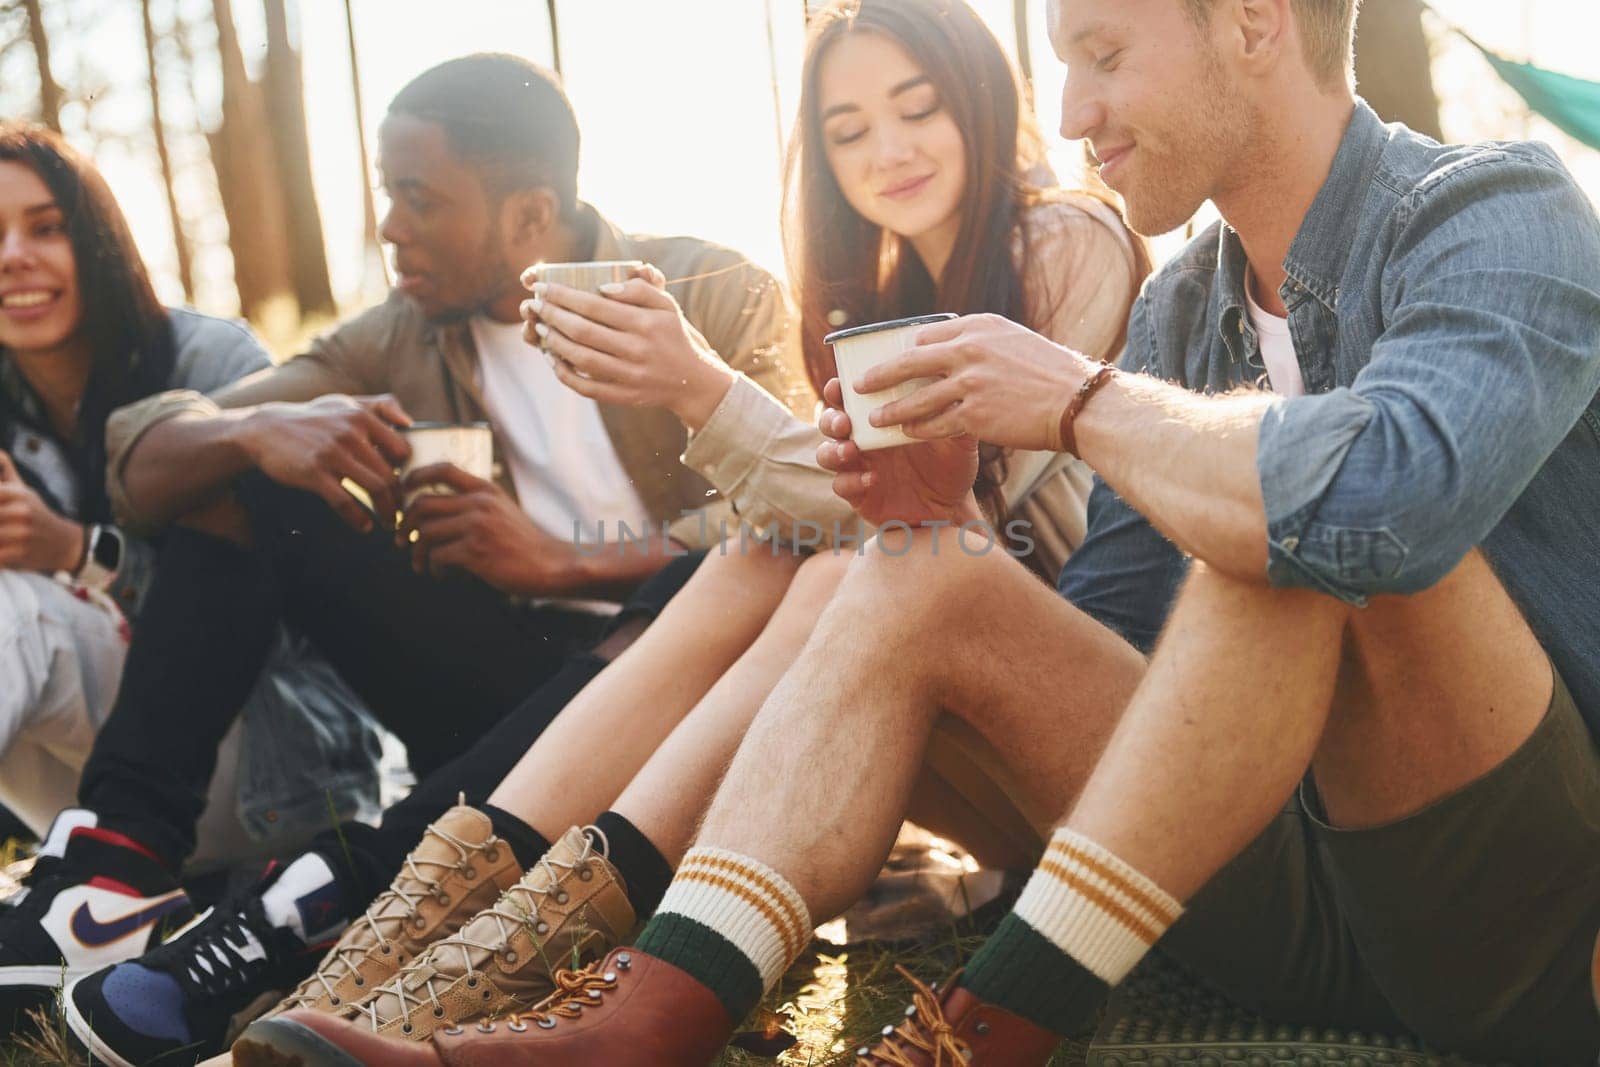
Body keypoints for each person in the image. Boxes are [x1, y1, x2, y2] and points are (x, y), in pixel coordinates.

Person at [269, 0, 1600, 1062]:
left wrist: (1078, 403)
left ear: (1253, 22)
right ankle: (641, 1018)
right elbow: (1120, 648)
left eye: (1104, 54)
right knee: (911, 571)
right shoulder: (1182, 305)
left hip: (1522, 911)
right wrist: (929, 533)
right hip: (1265, 886)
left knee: (1288, 524)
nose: (1070, 111)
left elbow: (1388, 508)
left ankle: (999, 1018)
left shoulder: (1494, 209)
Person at [222, 1, 1151, 1064]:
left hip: (1088, 727)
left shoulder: (1065, 239)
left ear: (983, 101)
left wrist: (697, 390)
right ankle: (413, 963)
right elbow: (867, 519)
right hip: (976, 732)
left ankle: (477, 964)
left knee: (813, 566)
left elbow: (941, 535)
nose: (885, 151)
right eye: (847, 131)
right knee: (769, 553)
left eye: (916, 109)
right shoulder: (888, 294)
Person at [0, 51, 812, 1034]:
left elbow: (806, 511)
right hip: (491, 692)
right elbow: (141, 453)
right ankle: (118, 864)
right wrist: (253, 432)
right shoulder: (396, 336)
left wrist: (566, 560)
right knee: (250, 475)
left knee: (707, 582)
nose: (388, 225)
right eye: (388, 196)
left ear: (527, 215)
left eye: (417, 199)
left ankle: (312, 904)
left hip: (690, 707)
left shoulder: (713, 289)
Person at [0, 121, 387, 1017]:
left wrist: (76, 552)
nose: (14, 257)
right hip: (92, 783)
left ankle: (112, 892)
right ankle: (96, 893)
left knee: (17, 603)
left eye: (45, 226)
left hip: (271, 762)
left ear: (97, 234)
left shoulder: (212, 364)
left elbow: (269, 613)